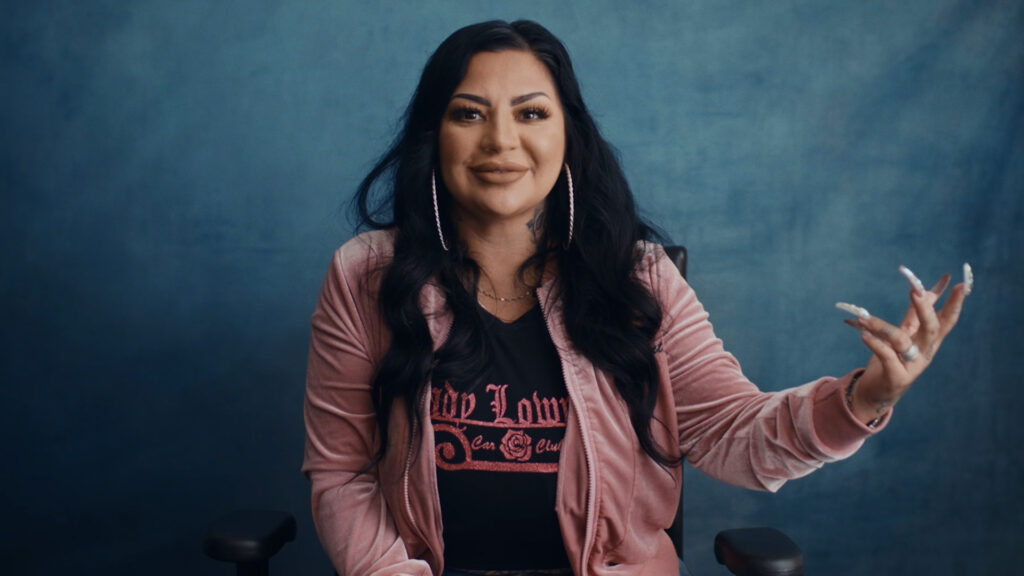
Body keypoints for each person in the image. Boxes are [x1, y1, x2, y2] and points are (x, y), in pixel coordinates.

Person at [301, 19, 971, 576]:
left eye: (531, 113)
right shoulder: (364, 276)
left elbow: (735, 434)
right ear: (433, 137)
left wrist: (865, 399)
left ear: (568, 140)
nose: (500, 141)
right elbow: (341, 474)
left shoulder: (639, 280)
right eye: (468, 114)